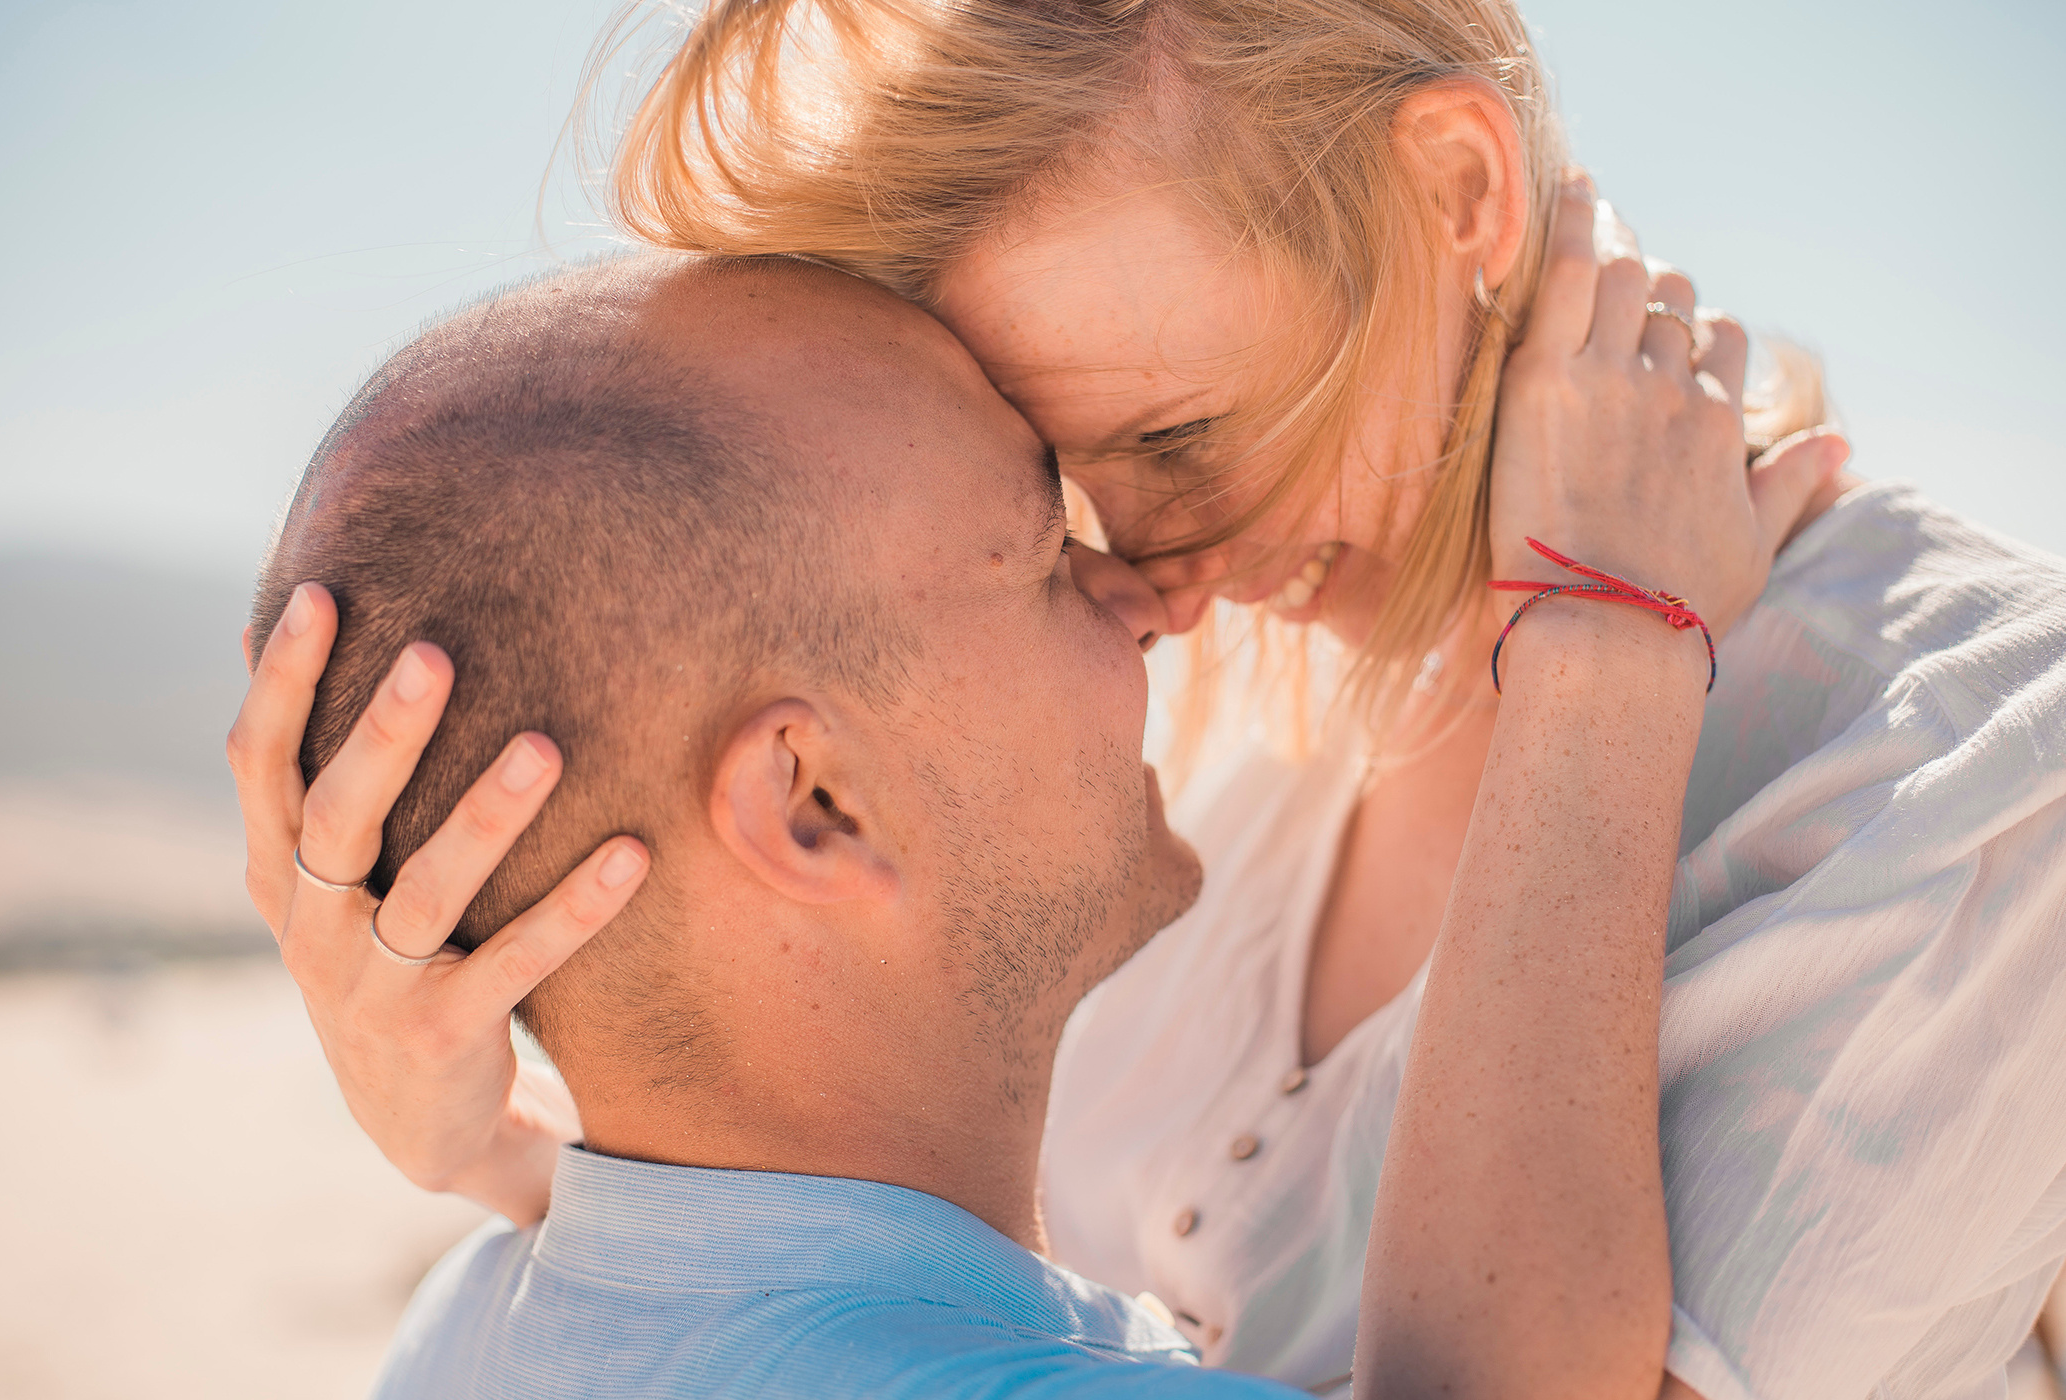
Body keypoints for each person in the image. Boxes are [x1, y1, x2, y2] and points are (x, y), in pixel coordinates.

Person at [232, 1, 2066, 1396]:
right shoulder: (1185, 730)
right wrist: (510, 1152)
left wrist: (1597, 647)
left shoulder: (1961, 744)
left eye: (1184, 433)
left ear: (1457, 193)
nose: (1151, 565)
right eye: (1062, 479)